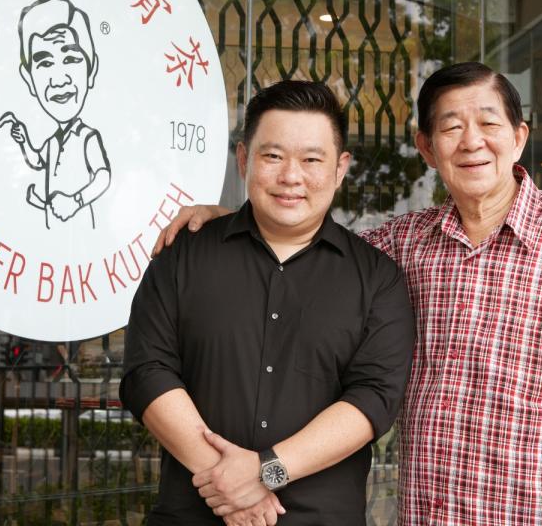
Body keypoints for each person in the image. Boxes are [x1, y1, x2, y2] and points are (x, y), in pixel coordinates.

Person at [155, 62, 542, 525]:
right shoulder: (401, 245)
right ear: (427, 147)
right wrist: (233, 220)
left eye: (489, 124)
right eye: (451, 127)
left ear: (518, 138)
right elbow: (307, 237)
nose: (472, 142)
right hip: (433, 511)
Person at [120, 80, 415, 525]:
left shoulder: (378, 279)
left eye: (312, 160)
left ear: (340, 168)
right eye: (273, 156)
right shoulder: (185, 254)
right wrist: (226, 482)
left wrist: (265, 473)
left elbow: (372, 399)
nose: (291, 177)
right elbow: (147, 371)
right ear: (243, 159)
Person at [0, 0, 111, 229]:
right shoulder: (52, 141)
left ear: (92, 71)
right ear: (29, 79)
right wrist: (23, 139)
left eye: (70, 59)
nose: (59, 80)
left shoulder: (87, 136)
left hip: (82, 237)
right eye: (45, 63)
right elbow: (39, 160)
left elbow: (103, 176)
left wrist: (75, 201)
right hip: (54, 233)